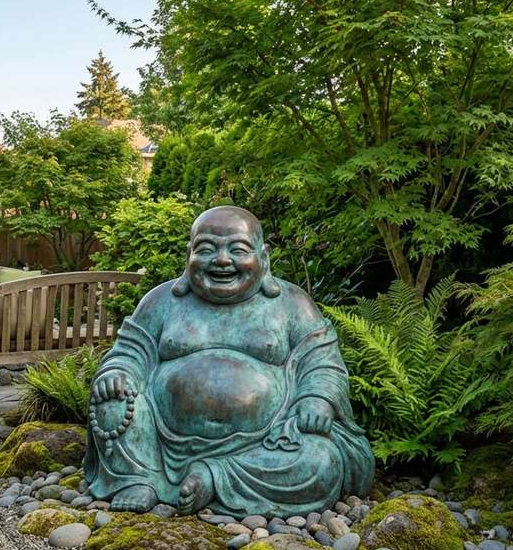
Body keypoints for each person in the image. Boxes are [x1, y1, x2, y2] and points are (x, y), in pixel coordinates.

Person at [83, 206, 374, 518]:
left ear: (263, 257)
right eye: (207, 249)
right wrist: (118, 373)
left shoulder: (291, 304)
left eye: (238, 250)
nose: (222, 260)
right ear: (189, 254)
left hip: (268, 442)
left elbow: (321, 361)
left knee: (320, 461)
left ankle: (213, 476)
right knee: (112, 404)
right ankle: (140, 477)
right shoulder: (161, 301)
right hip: (160, 441)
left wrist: (317, 398)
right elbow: (130, 352)